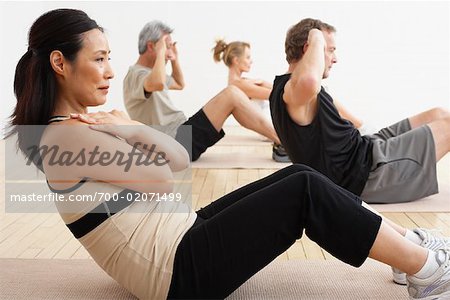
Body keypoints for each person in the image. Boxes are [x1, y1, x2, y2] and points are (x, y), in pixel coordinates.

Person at [7, 9, 450, 300]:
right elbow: (164, 178)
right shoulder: (64, 138)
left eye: (109, 59)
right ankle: (427, 269)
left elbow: (177, 160)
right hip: (176, 273)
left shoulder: (78, 128)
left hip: (180, 239)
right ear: (60, 63)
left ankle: (408, 249)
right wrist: (127, 127)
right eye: (99, 59)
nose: (107, 72)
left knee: (295, 174)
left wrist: (132, 126)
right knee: (304, 189)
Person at [270, 18, 450, 205]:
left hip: (366, 150)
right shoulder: (297, 92)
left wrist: (363, 125)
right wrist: (316, 35)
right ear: (309, 48)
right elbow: (309, 81)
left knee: (439, 113)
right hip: (369, 174)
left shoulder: (292, 89)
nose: (335, 58)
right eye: (330, 49)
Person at [123, 21, 288, 162]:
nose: (169, 52)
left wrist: (175, 58)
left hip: (179, 136)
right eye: (167, 46)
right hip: (171, 142)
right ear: (151, 46)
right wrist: (161, 52)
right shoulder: (136, 75)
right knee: (232, 93)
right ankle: (284, 143)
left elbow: (179, 83)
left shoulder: (149, 75)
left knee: (233, 95)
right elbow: (158, 83)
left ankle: (282, 143)